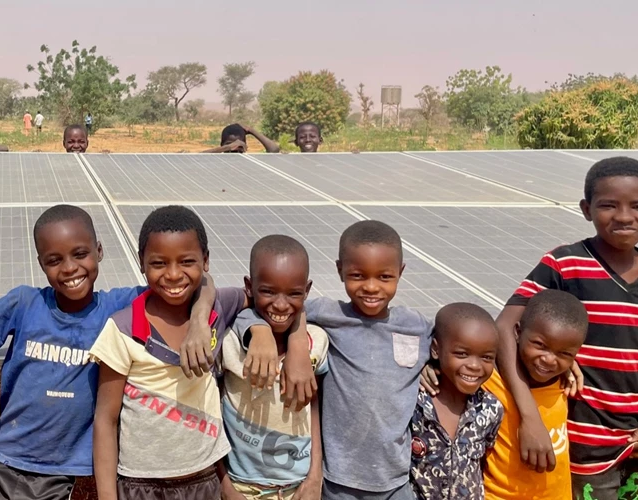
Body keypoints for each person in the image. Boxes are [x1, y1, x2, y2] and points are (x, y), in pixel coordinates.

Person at [0, 205, 216, 500]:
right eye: (54, 260)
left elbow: (196, 281)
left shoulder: (117, 307)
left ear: (99, 250)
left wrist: (201, 317)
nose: (69, 268)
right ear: (40, 263)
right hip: (4, 460)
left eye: (80, 254)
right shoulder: (24, 302)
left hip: (65, 471)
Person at [496, 157, 638, 500]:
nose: (625, 216)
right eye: (609, 205)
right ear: (586, 209)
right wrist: (529, 416)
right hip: (582, 440)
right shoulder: (565, 264)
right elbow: (505, 326)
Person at [240, 220, 432, 499]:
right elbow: (267, 309)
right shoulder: (329, 315)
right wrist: (292, 342)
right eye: (358, 275)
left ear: (400, 273)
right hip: (337, 483)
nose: (371, 287)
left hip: (395, 481)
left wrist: (432, 367)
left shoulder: (416, 327)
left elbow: (450, 345)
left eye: (384, 277)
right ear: (340, 270)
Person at [91, 205, 260, 500]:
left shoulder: (216, 311)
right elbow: (106, 419)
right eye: (158, 263)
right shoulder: (123, 328)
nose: (172, 274)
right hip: (141, 486)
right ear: (141, 263)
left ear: (205, 260)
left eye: (186, 261)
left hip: (206, 478)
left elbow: (259, 299)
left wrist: (263, 334)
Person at [220, 235, 328, 500]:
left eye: (293, 293)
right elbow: (211, 412)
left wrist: (315, 477)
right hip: (241, 486)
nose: (280, 304)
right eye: (268, 291)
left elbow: (316, 409)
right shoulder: (230, 342)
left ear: (308, 290)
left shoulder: (316, 343)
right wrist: (225, 486)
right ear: (249, 286)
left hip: (299, 487)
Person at [481, 290, 587, 500]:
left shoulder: (565, 384)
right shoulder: (490, 381)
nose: (549, 359)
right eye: (539, 345)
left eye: (564, 353)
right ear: (518, 333)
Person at [409, 303, 503, 500]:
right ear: (435, 350)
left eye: (486, 357)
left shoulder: (490, 409)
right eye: (462, 354)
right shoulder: (413, 401)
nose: (475, 366)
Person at [203, 124, 281, 153]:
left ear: (245, 146)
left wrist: (251, 130)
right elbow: (194, 158)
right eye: (229, 144)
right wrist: (228, 147)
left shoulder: (251, 162)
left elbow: (274, 149)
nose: (234, 148)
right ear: (221, 145)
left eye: (238, 146)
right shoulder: (215, 160)